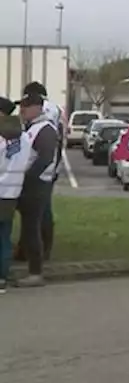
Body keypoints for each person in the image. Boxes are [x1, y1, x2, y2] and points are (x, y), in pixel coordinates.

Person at [14, 93, 59, 288]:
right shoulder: (32, 128)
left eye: (26, 106)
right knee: (28, 226)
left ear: (38, 108)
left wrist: (27, 178)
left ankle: (35, 272)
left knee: (32, 227)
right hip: (28, 183)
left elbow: (45, 159)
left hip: (36, 185)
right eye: (21, 105)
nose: (22, 110)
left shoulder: (45, 129)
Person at [23, 82, 60, 261]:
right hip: (49, 169)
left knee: (39, 213)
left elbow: (46, 148)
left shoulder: (47, 115)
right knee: (41, 212)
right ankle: (38, 250)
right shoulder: (54, 111)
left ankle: (40, 252)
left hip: (41, 173)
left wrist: (30, 176)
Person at [0, 97, 32, 294]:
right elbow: (28, 162)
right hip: (12, 193)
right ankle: (2, 278)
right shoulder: (25, 138)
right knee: (4, 237)